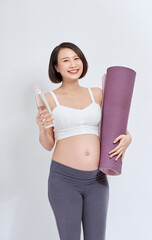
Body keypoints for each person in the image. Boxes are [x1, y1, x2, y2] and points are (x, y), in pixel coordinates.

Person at [36, 42, 132, 240]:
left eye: (76, 58)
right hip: (63, 180)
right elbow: (48, 144)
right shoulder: (49, 98)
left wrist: (128, 138)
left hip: (97, 179)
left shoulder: (96, 93)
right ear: (56, 67)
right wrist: (41, 127)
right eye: (65, 60)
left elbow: (116, 126)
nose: (73, 64)